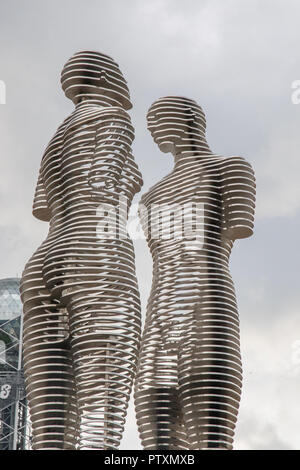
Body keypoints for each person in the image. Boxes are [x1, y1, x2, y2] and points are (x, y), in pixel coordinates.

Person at [21, 51, 142, 450]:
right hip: (95, 252)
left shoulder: (57, 136)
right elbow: (103, 186)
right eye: (121, 71)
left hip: (43, 260)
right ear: (107, 75)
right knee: (99, 426)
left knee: (50, 434)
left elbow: (43, 207)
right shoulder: (112, 117)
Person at [134, 96, 256, 450]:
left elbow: (237, 227)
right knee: (156, 437)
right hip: (158, 316)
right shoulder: (149, 197)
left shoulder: (230, 168)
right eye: (149, 123)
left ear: (190, 118)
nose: (154, 129)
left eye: (160, 118)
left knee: (211, 437)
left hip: (208, 304)